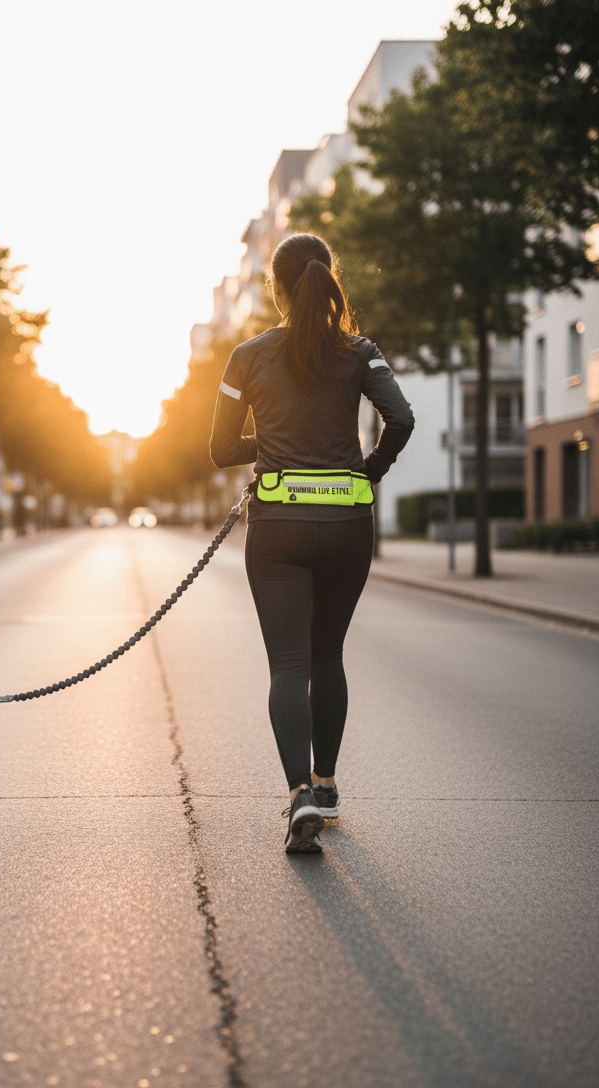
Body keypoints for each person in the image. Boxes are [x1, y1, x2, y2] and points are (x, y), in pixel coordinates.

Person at [210, 233, 414, 853]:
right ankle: (325, 785)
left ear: (275, 288)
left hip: (277, 526)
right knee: (328, 656)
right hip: (348, 525)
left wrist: (268, 450)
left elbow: (220, 451)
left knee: (288, 666)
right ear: (327, 278)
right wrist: (368, 471)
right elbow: (400, 421)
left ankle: (299, 792)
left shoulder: (246, 356)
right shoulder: (360, 351)